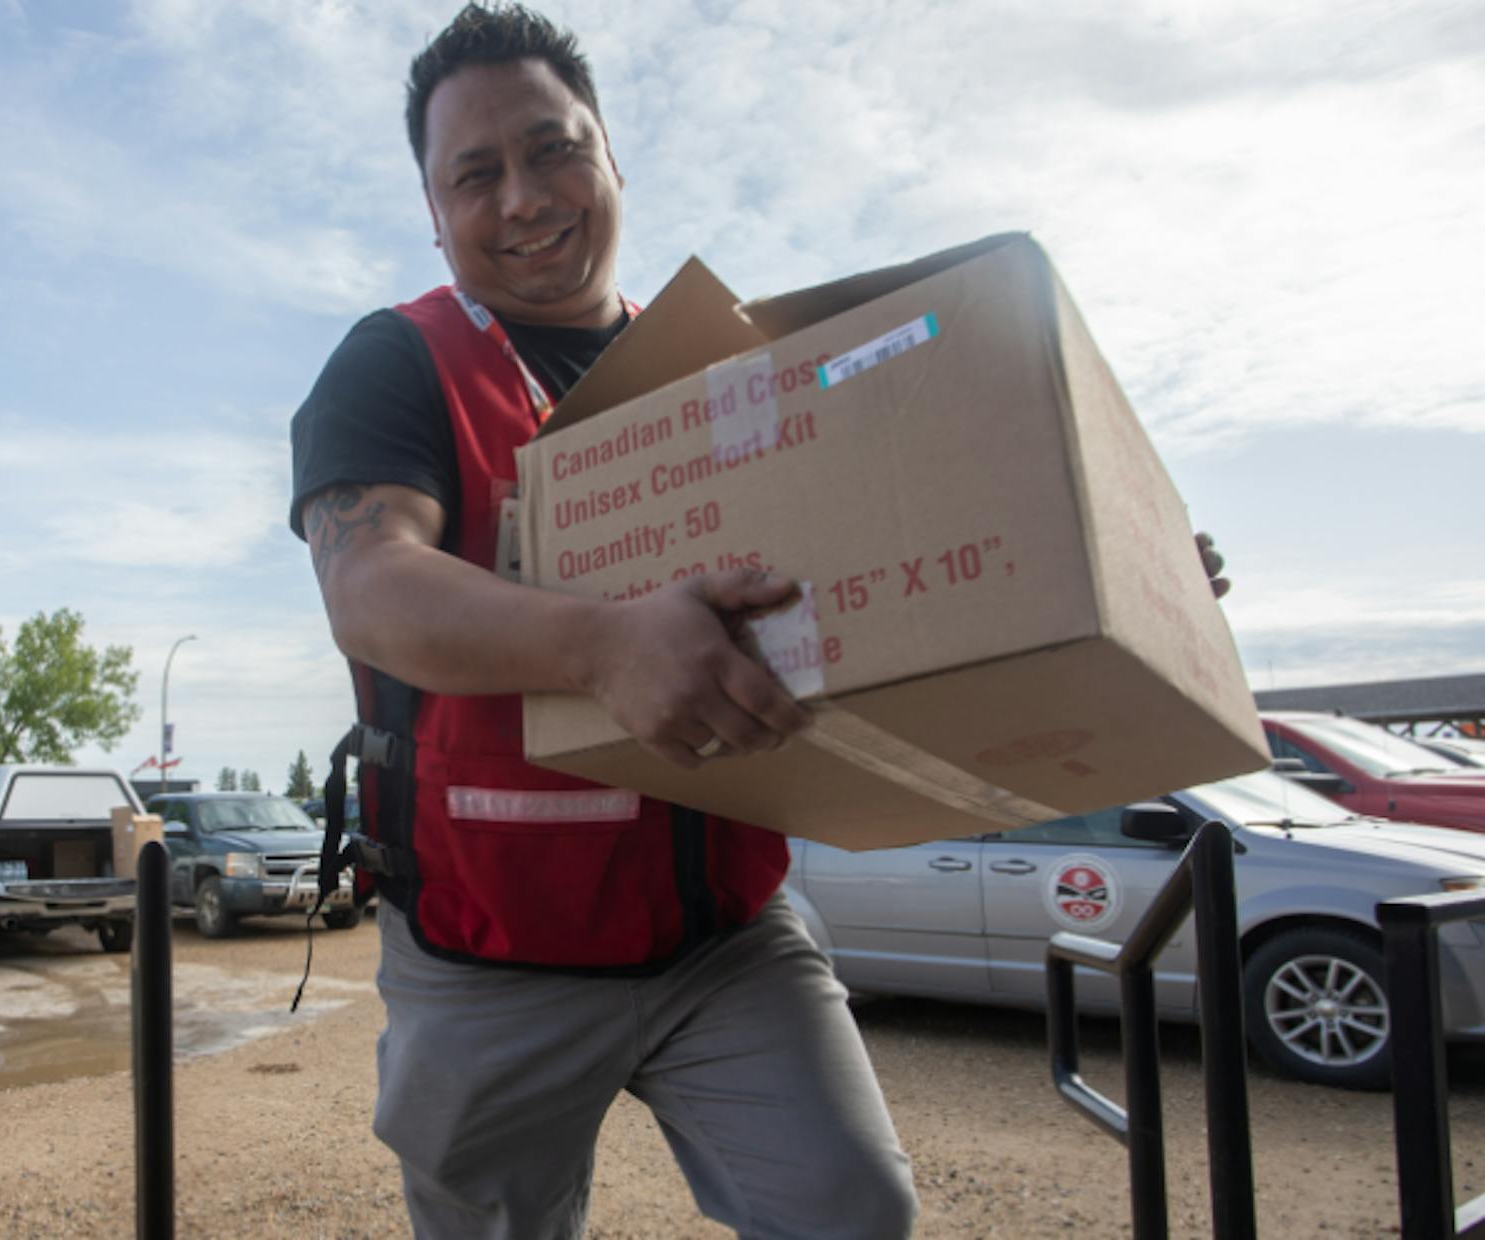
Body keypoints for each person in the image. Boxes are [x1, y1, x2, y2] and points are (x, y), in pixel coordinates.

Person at [290, 7, 1226, 1237]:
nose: (522, 197)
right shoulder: (394, 361)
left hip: (721, 937)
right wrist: (599, 642)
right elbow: (370, 589)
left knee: (850, 1206)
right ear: (432, 210)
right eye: (475, 173)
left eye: (552, 149)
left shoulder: (724, 376)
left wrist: (1103, 552)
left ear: (613, 159)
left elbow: (891, 550)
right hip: (487, 952)